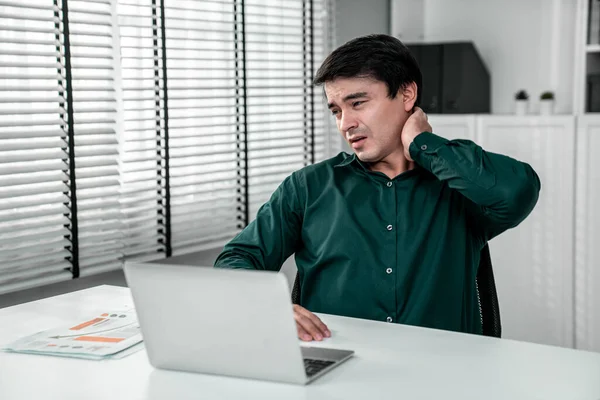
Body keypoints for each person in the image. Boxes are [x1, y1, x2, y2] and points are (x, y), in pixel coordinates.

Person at [214, 34, 540, 342]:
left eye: (358, 103)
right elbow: (236, 261)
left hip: (443, 377)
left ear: (407, 95)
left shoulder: (459, 185)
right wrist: (269, 309)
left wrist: (423, 144)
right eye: (337, 111)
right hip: (335, 375)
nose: (345, 123)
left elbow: (517, 191)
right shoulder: (308, 188)